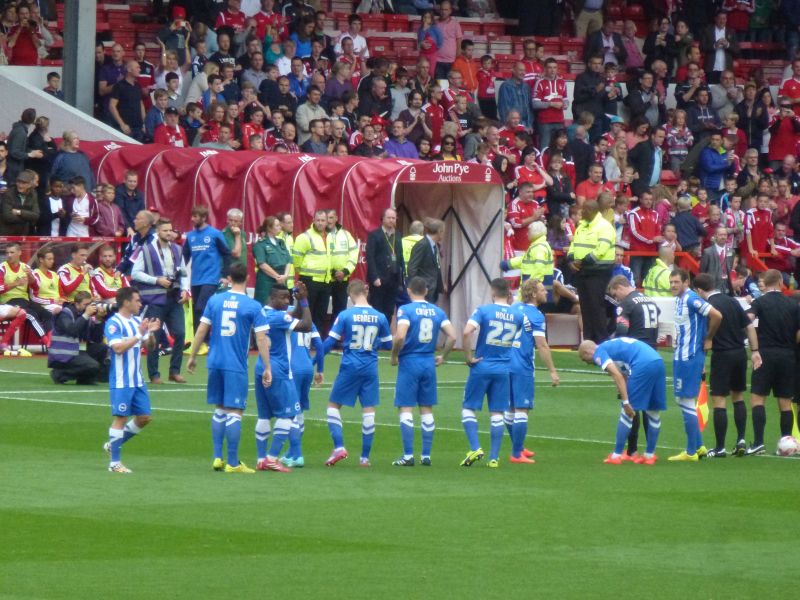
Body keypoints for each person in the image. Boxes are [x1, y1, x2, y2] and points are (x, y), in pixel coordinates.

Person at [186, 262, 272, 474]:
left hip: (214, 362)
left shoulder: (215, 300)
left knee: (219, 409)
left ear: (229, 278)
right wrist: (267, 366)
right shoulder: (253, 306)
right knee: (235, 411)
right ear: (248, 277)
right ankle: (232, 463)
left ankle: (217, 457)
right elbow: (261, 339)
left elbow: (201, 330)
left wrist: (193, 355)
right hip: (235, 365)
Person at [460, 277, 530, 468]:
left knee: (468, 408)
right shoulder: (517, 316)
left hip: (482, 365)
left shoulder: (483, 310)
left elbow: (467, 332)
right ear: (509, 293)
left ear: (492, 292)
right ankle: (494, 458)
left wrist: (468, 356)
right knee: (497, 412)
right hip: (503, 368)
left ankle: (475, 447)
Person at [323, 279, 392, 467]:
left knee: (332, 406)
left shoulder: (346, 315)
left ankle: (339, 447)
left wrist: (316, 358)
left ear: (350, 295)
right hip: (370, 367)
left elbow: (330, 343)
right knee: (368, 410)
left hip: (350, 366)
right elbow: (389, 343)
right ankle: (364, 458)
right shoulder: (380, 316)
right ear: (366, 292)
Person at [389, 276, 457, 467]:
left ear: (409, 291)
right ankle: (426, 455)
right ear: (426, 291)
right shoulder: (437, 311)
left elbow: (400, 336)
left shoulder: (405, 310)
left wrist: (394, 356)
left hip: (410, 362)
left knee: (405, 407)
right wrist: (443, 355)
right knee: (426, 408)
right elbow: (452, 336)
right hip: (428, 362)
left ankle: (408, 455)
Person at [692, 273, 760, 459]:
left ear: (699, 290)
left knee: (719, 399)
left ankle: (720, 447)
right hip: (739, 353)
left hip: (722, 355)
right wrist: (754, 350)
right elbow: (750, 326)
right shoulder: (732, 301)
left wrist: (702, 357)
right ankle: (741, 440)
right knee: (738, 396)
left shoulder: (706, 306)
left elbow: (704, 337)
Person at [252, 282, 312, 472]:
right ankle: (272, 457)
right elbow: (306, 325)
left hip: (261, 367)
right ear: (272, 297)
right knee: (289, 414)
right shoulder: (278, 316)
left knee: (264, 416)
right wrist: (304, 302)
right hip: (279, 370)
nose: (287, 301)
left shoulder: (263, 312)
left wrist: (296, 301)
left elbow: (289, 316)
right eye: (283, 298)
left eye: (288, 297)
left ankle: (261, 458)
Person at [578, 337, 666, 465]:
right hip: (657, 360)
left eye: (584, 359)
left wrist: (625, 402)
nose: (587, 363)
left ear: (587, 352)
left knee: (627, 411)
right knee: (653, 411)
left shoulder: (599, 352)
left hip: (642, 364)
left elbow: (617, 375)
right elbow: (623, 374)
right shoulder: (610, 347)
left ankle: (616, 455)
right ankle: (649, 455)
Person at [102, 287, 161, 473]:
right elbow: (118, 348)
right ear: (126, 302)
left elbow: (150, 347)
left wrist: (150, 333)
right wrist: (138, 334)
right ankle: (115, 464)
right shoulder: (114, 323)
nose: (140, 303)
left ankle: (113, 445)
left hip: (137, 379)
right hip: (122, 380)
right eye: (137, 300)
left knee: (144, 418)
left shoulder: (137, 321)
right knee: (121, 418)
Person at [668, 268, 722, 462]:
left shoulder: (692, 299)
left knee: (686, 401)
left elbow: (716, 315)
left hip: (689, 357)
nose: (673, 285)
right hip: (681, 356)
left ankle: (690, 452)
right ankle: (699, 447)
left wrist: (709, 338)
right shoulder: (680, 300)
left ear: (686, 282)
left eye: (676, 282)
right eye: (671, 282)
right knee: (682, 400)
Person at [745, 269, 800, 455]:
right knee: (785, 402)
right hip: (787, 355)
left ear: (765, 284)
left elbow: (748, 319)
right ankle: (785, 442)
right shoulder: (792, 303)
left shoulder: (760, 302)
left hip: (765, 354)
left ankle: (759, 442)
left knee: (758, 398)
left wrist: (753, 346)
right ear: (779, 282)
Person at [607, 275, 661, 460]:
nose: (617, 299)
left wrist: (617, 352)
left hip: (636, 358)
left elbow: (622, 331)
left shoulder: (627, 304)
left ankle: (631, 450)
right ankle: (649, 451)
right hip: (653, 354)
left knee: (630, 402)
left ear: (621, 286)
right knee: (650, 406)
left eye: (616, 294)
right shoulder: (649, 300)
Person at [131, 218, 189, 385]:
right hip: (155, 299)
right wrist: (156, 280)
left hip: (174, 297)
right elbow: (135, 273)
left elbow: (184, 273)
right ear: (157, 232)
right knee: (153, 337)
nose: (169, 233)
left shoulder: (177, 249)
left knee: (180, 333)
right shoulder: (146, 250)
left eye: (170, 230)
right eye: (165, 230)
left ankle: (174, 371)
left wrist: (185, 290)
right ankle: (154, 374)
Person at [507, 278, 560, 463]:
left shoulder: (512, 309)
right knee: (522, 409)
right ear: (534, 294)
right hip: (522, 365)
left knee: (511, 408)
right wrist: (552, 371)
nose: (546, 292)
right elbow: (542, 345)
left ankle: (518, 447)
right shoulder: (536, 315)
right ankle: (516, 454)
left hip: (505, 363)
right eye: (542, 290)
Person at [565, 201, 616, 343]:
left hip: (598, 272)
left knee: (596, 305)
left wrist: (581, 261)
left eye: (584, 210)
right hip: (582, 271)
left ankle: (601, 340)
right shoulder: (582, 226)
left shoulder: (605, 227)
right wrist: (570, 259)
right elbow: (574, 245)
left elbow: (601, 249)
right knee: (585, 306)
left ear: (592, 210)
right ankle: (588, 340)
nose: (582, 213)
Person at [183, 206, 231, 352]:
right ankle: (201, 342)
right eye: (192, 216)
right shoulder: (190, 236)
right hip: (195, 279)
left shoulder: (215, 234)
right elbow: (184, 258)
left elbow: (227, 254)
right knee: (198, 310)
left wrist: (224, 275)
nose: (193, 219)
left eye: (196, 216)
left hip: (211, 278)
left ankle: (205, 341)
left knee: (201, 308)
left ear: (204, 218)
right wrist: (180, 277)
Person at [280, 316, 325, 469]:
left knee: (289, 410)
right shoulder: (309, 321)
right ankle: (291, 453)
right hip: (307, 368)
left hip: (292, 368)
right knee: (299, 410)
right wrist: (319, 369)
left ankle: (297, 455)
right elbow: (319, 345)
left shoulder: (284, 317)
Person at [48, 291, 103, 384]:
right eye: (85, 304)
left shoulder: (85, 315)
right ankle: (60, 373)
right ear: (77, 304)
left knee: (102, 349)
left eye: (89, 304)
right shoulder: (65, 313)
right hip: (63, 356)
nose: (88, 307)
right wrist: (86, 315)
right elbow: (72, 331)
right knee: (93, 365)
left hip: (77, 351)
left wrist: (98, 320)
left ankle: (86, 379)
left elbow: (96, 339)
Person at [292, 209, 334, 331]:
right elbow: (296, 259)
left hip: (325, 281)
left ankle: (317, 341)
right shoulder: (304, 237)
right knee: (306, 312)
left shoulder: (330, 237)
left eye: (323, 220)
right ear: (313, 221)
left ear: (327, 222)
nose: (320, 223)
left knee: (321, 314)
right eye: (318, 220)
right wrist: (304, 273)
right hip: (309, 280)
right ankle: (304, 340)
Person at [0, 241, 50, 341]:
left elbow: (36, 287)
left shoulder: (26, 267)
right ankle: (46, 342)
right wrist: (16, 284)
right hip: (9, 302)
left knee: (47, 314)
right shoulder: (2, 268)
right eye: (7, 253)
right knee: (32, 314)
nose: (9, 255)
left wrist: (31, 277)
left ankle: (51, 339)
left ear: (19, 253)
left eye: (12, 252)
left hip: (25, 301)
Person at [365, 208, 405, 326]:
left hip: (393, 279)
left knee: (389, 310)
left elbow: (400, 256)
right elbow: (370, 257)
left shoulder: (398, 235)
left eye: (393, 218)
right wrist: (374, 277)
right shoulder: (374, 235)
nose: (391, 220)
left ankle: (385, 337)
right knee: (377, 309)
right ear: (383, 219)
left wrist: (402, 277)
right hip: (379, 279)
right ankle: (376, 336)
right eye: (389, 218)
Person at [326, 209, 359, 324]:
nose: (328, 221)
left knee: (340, 310)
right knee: (321, 309)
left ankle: (337, 336)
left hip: (342, 279)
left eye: (331, 218)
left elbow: (354, 254)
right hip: (326, 278)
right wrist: (333, 272)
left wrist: (345, 271)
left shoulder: (346, 234)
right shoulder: (321, 235)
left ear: (336, 218)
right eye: (327, 218)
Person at [253, 216, 292, 305]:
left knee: (280, 306)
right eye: (277, 225)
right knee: (265, 305)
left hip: (281, 280)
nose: (280, 227)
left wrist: (285, 275)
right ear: (269, 228)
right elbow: (262, 264)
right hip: (267, 281)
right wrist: (277, 276)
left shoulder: (281, 242)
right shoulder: (261, 244)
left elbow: (288, 260)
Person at [407, 218, 445, 304]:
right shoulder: (422, 244)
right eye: (443, 231)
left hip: (432, 289)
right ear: (439, 231)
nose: (443, 234)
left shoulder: (434, 245)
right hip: (423, 290)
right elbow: (412, 268)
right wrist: (416, 289)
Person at [1, 170, 39, 235]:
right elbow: (8, 217)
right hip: (7, 233)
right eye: (18, 182)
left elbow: (36, 215)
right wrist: (27, 218)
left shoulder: (33, 194)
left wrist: (19, 212)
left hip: (22, 234)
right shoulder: (9, 193)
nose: (20, 185)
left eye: (24, 183)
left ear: (30, 184)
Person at [700, 226, 735, 293]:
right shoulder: (707, 252)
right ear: (715, 236)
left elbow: (730, 268)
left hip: (726, 285)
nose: (723, 237)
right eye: (720, 235)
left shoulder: (731, 251)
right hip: (712, 285)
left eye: (725, 235)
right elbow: (702, 271)